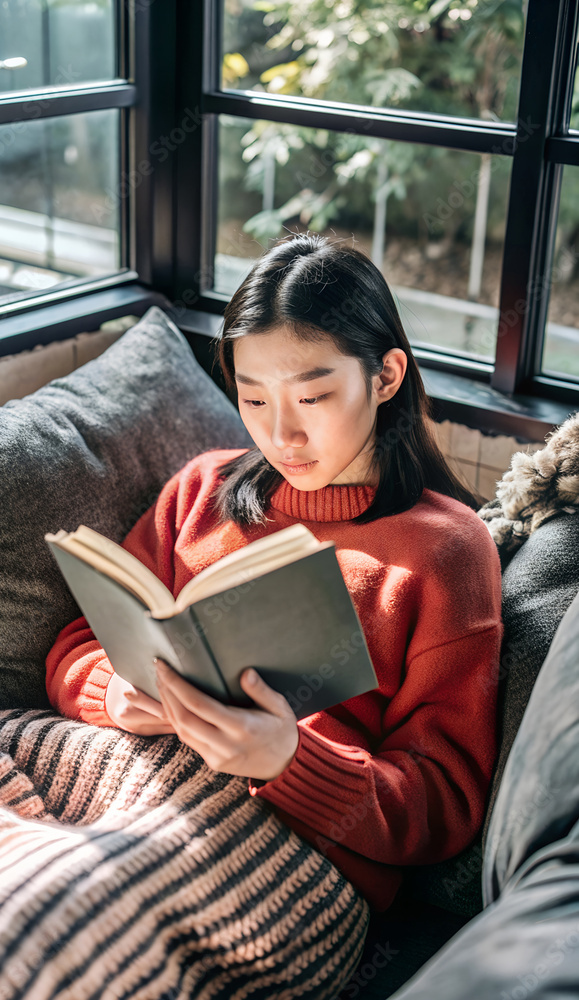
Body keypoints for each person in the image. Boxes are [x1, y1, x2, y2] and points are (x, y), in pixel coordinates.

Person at [45, 232, 504, 993]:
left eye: (312, 397)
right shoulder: (201, 489)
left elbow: (443, 802)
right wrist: (111, 690)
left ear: (386, 376)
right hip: (111, 770)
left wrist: (289, 760)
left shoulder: (446, 551)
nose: (280, 435)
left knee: (42, 935)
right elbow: (76, 642)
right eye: (253, 399)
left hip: (286, 848)